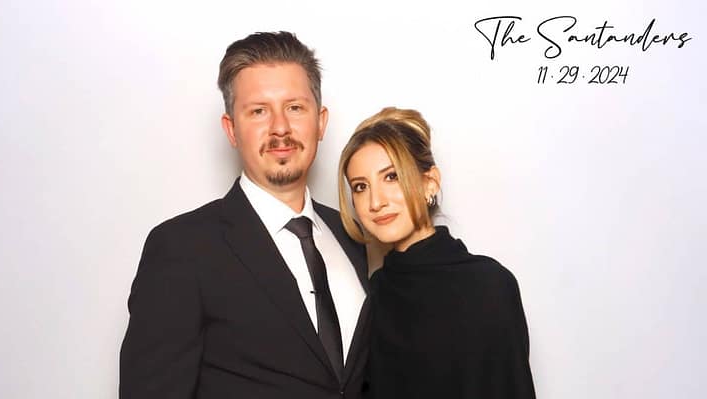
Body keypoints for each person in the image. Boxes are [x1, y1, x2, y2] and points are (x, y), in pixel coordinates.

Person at [119, 32, 370, 399]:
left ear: (320, 121)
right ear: (231, 129)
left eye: (295, 107)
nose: (280, 127)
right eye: (258, 111)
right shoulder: (183, 248)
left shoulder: (356, 237)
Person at [337, 107, 535, 398]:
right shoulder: (371, 296)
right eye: (361, 186)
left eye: (391, 177)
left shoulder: (489, 285)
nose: (375, 201)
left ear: (430, 182)